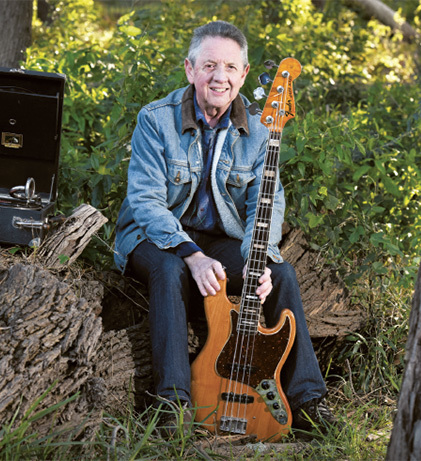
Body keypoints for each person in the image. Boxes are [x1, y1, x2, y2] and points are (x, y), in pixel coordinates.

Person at [113, 20, 337, 437]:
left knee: (282, 273)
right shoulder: (155, 120)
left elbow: (266, 204)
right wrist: (190, 255)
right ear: (190, 69)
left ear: (244, 74)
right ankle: (174, 405)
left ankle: (308, 401)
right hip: (152, 237)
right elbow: (145, 202)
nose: (220, 76)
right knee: (170, 270)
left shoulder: (258, 129)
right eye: (210, 65)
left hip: (218, 240)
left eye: (231, 67)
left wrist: (260, 258)